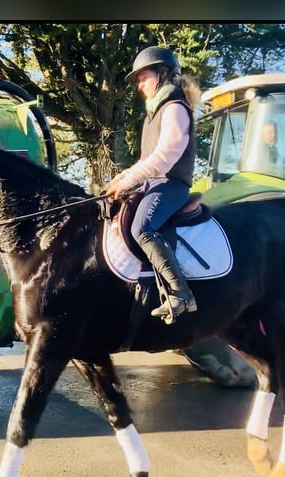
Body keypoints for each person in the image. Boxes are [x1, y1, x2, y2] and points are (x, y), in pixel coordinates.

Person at [105, 46, 198, 324]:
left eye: (144, 77)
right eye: (138, 80)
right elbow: (147, 160)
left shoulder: (174, 107)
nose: (139, 84)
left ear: (164, 73)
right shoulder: (154, 112)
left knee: (141, 227)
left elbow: (166, 155)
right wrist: (122, 179)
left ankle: (181, 293)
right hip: (155, 183)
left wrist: (130, 179)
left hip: (172, 185)